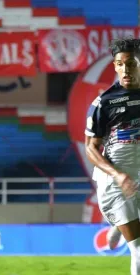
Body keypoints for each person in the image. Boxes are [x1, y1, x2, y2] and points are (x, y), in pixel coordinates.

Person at [85, 37, 140, 274]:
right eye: (120, 64)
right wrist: (118, 175)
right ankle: (120, 220)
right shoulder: (104, 103)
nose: (125, 70)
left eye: (131, 64)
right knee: (138, 248)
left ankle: (119, 226)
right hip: (117, 178)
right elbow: (91, 148)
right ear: (115, 66)